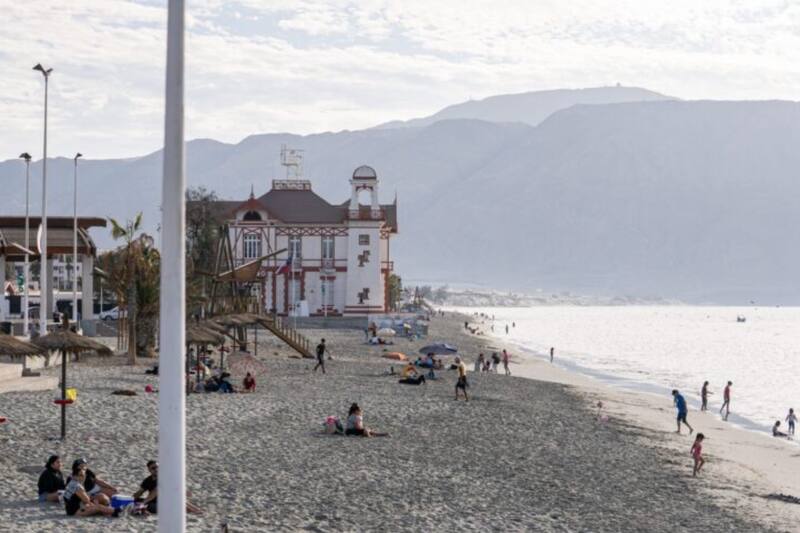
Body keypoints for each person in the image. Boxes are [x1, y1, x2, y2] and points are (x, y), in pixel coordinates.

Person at [132, 460, 203, 514]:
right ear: (149, 470)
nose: (156, 469)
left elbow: (179, 490)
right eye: (153, 468)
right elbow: (140, 492)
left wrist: (184, 492)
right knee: (137, 500)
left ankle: (196, 510)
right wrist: (132, 498)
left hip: (167, 503)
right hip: (154, 503)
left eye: (158, 467)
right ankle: (195, 511)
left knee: (176, 499)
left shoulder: (166, 478)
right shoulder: (148, 480)